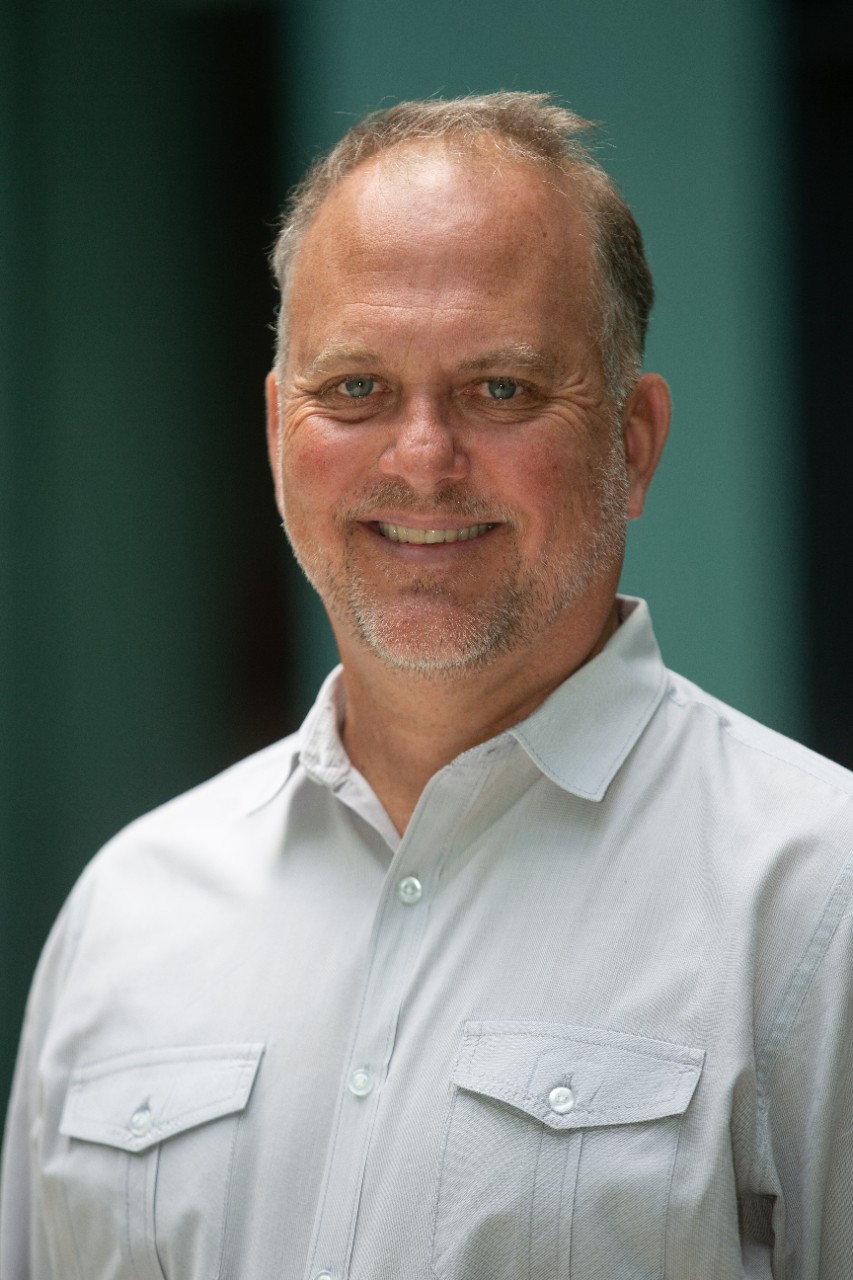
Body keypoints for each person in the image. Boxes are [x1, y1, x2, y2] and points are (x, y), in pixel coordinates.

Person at [2, 91, 852, 1280]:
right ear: (275, 432)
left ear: (634, 442)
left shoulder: (817, 899)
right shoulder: (125, 916)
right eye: (352, 389)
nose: (419, 459)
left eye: (499, 388)